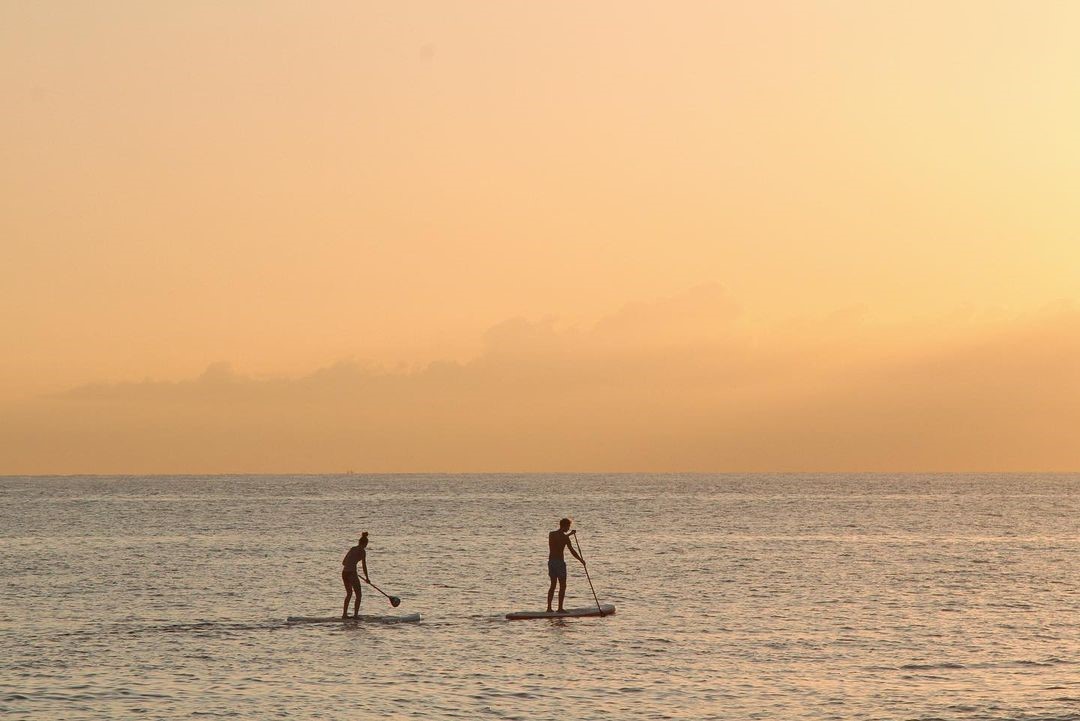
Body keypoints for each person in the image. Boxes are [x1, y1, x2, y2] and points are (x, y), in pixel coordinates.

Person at [547, 518, 584, 613]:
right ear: (564, 526)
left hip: (551, 562)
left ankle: (551, 608)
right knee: (561, 585)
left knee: (553, 585)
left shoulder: (552, 534)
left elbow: (569, 548)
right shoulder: (561, 537)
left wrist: (580, 560)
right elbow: (567, 546)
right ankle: (558, 608)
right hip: (559, 563)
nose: (568, 528)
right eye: (568, 527)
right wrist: (580, 560)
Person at [342, 532, 369, 618]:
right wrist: (367, 578)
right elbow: (364, 566)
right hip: (352, 573)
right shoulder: (362, 551)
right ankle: (356, 615)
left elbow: (344, 562)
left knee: (349, 593)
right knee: (359, 595)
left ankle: (344, 614)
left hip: (344, 573)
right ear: (365, 544)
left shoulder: (352, 548)